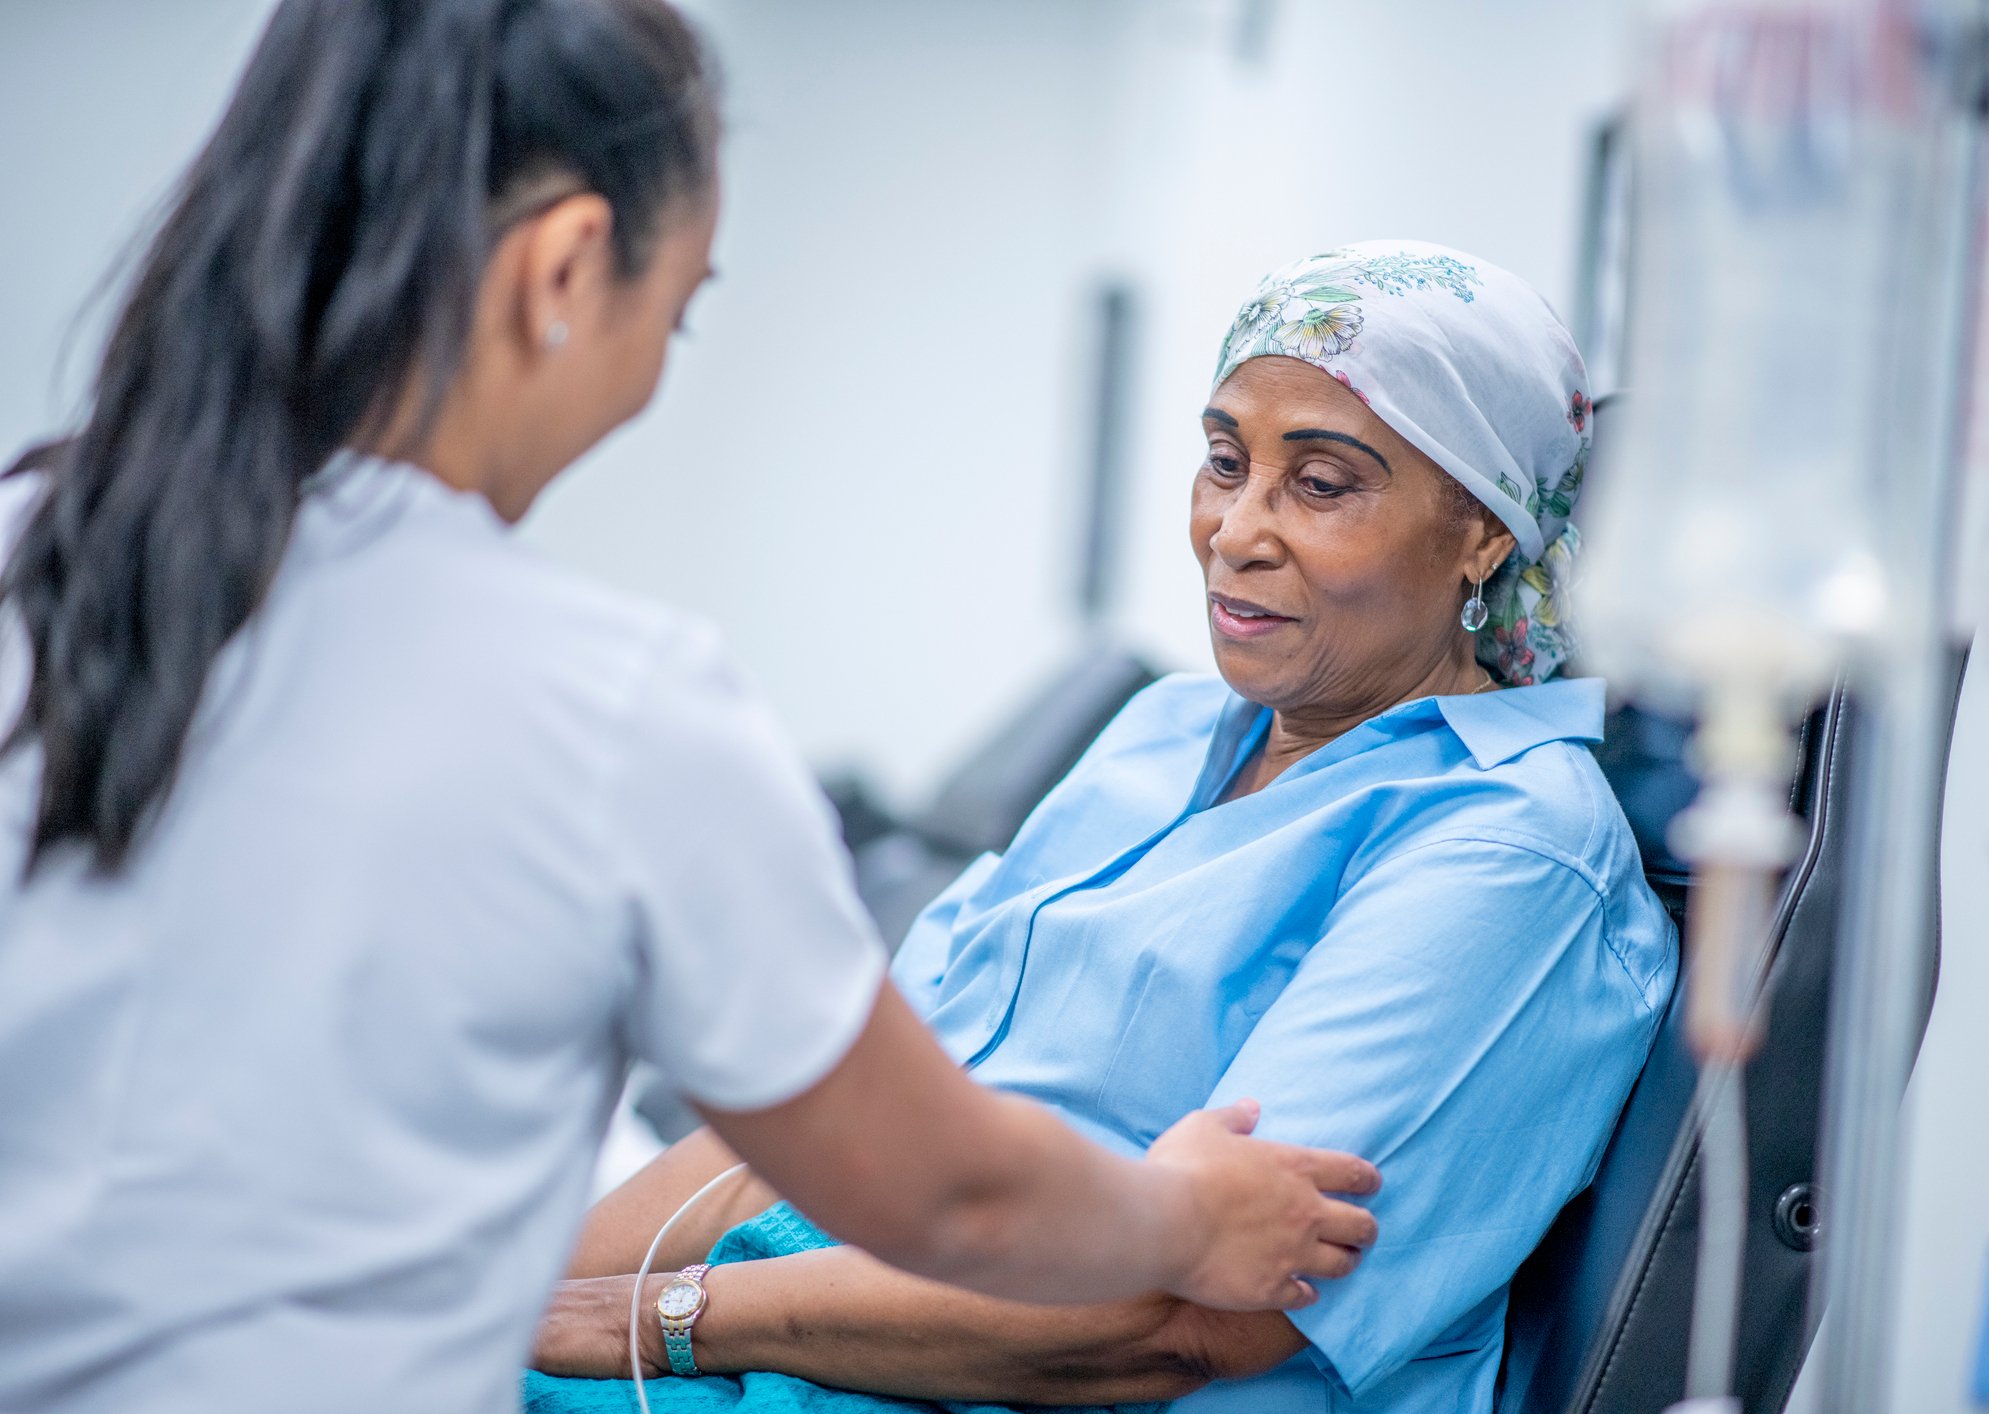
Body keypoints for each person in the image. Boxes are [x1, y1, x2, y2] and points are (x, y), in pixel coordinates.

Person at [0, 6, 1384, 1413]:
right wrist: (1188, 1216)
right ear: (565, 269)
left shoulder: (25, 536)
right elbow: (951, 1190)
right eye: (677, 310)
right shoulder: (608, 708)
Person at [526, 242, 1678, 1414]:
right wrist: (506, 1304)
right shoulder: (1167, 730)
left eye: (1321, 484)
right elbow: (849, 1114)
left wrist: (653, 1320)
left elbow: (1186, 1325)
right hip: (797, 1332)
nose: (1237, 529)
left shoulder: (1507, 851)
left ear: (1485, 533)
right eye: (1225, 462)